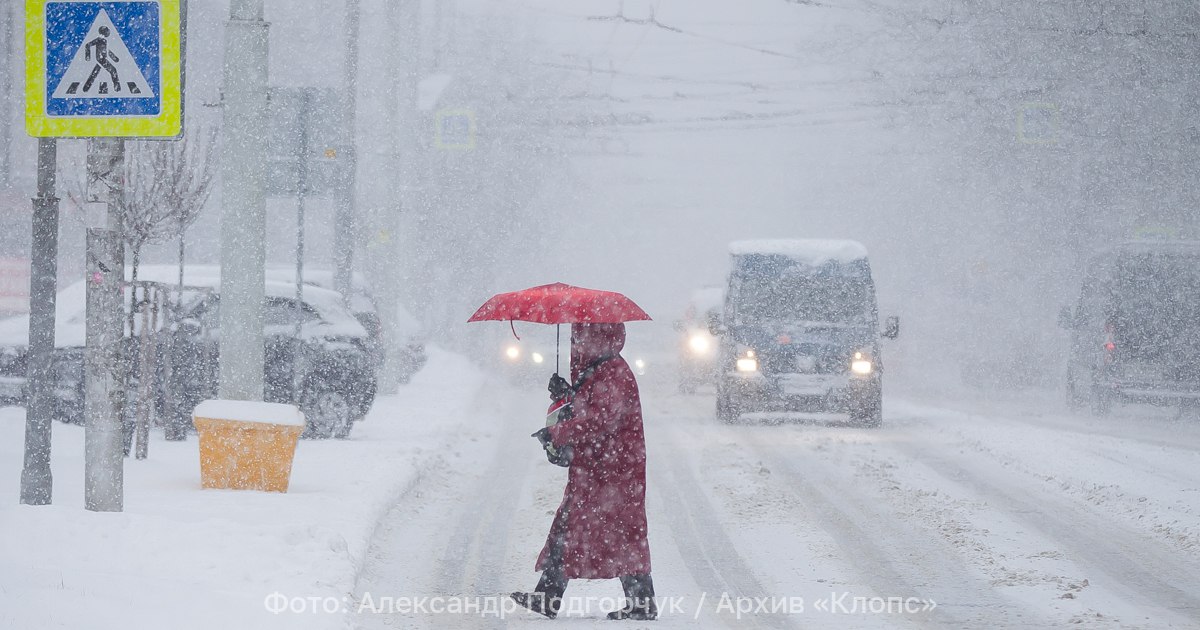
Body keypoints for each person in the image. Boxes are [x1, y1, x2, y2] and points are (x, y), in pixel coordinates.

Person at [512, 323, 656, 620]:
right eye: (575, 336)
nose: (576, 342)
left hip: (614, 472)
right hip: (599, 469)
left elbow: (599, 421)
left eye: (582, 335)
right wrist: (566, 394)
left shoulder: (613, 372)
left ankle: (640, 602)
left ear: (599, 337)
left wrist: (559, 433)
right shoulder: (600, 369)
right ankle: (549, 596)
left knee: (617, 533)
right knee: (575, 526)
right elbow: (590, 410)